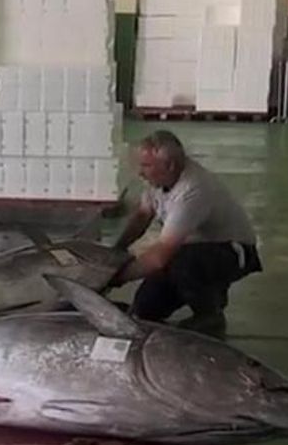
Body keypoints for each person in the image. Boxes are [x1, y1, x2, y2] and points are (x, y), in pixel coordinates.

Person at [108, 130, 262, 337]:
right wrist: (115, 252)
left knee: (181, 260)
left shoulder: (193, 190)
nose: (140, 173)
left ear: (169, 165)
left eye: (146, 166)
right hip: (192, 250)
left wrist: (115, 277)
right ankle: (208, 294)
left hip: (232, 251)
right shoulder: (159, 180)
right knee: (145, 309)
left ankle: (210, 315)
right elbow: (143, 216)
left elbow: (161, 256)